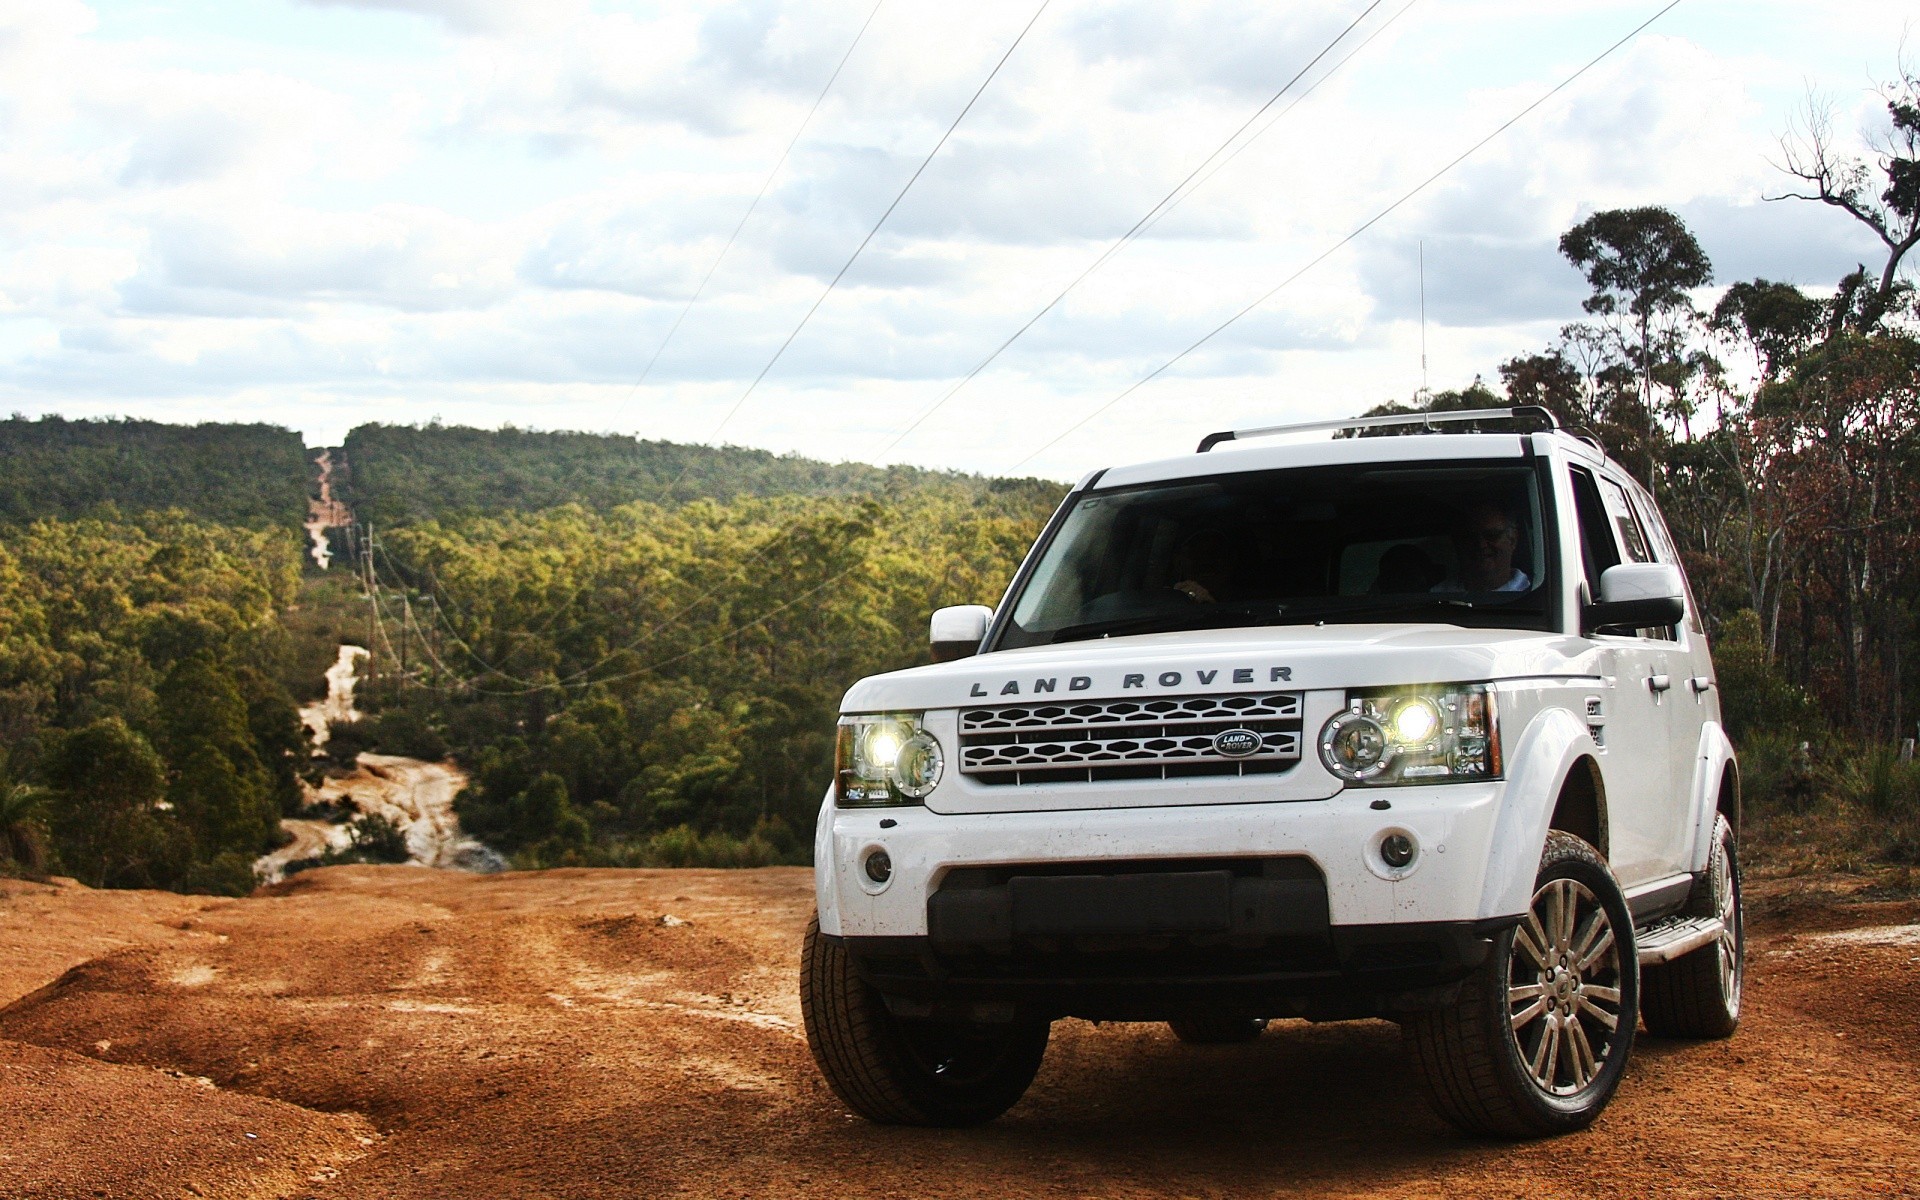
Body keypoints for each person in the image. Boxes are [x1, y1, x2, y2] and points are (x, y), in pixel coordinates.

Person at [1437, 499, 1531, 593]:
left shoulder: (1534, 594)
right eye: (1471, 537)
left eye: (1492, 535)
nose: (1481, 544)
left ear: (1512, 540)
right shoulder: (1438, 595)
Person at [1170, 528, 1234, 604]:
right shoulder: (1167, 600)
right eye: (1195, 553)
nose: (1206, 561)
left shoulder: (1247, 605)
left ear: (1231, 559)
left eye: (1215, 552)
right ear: (1178, 562)